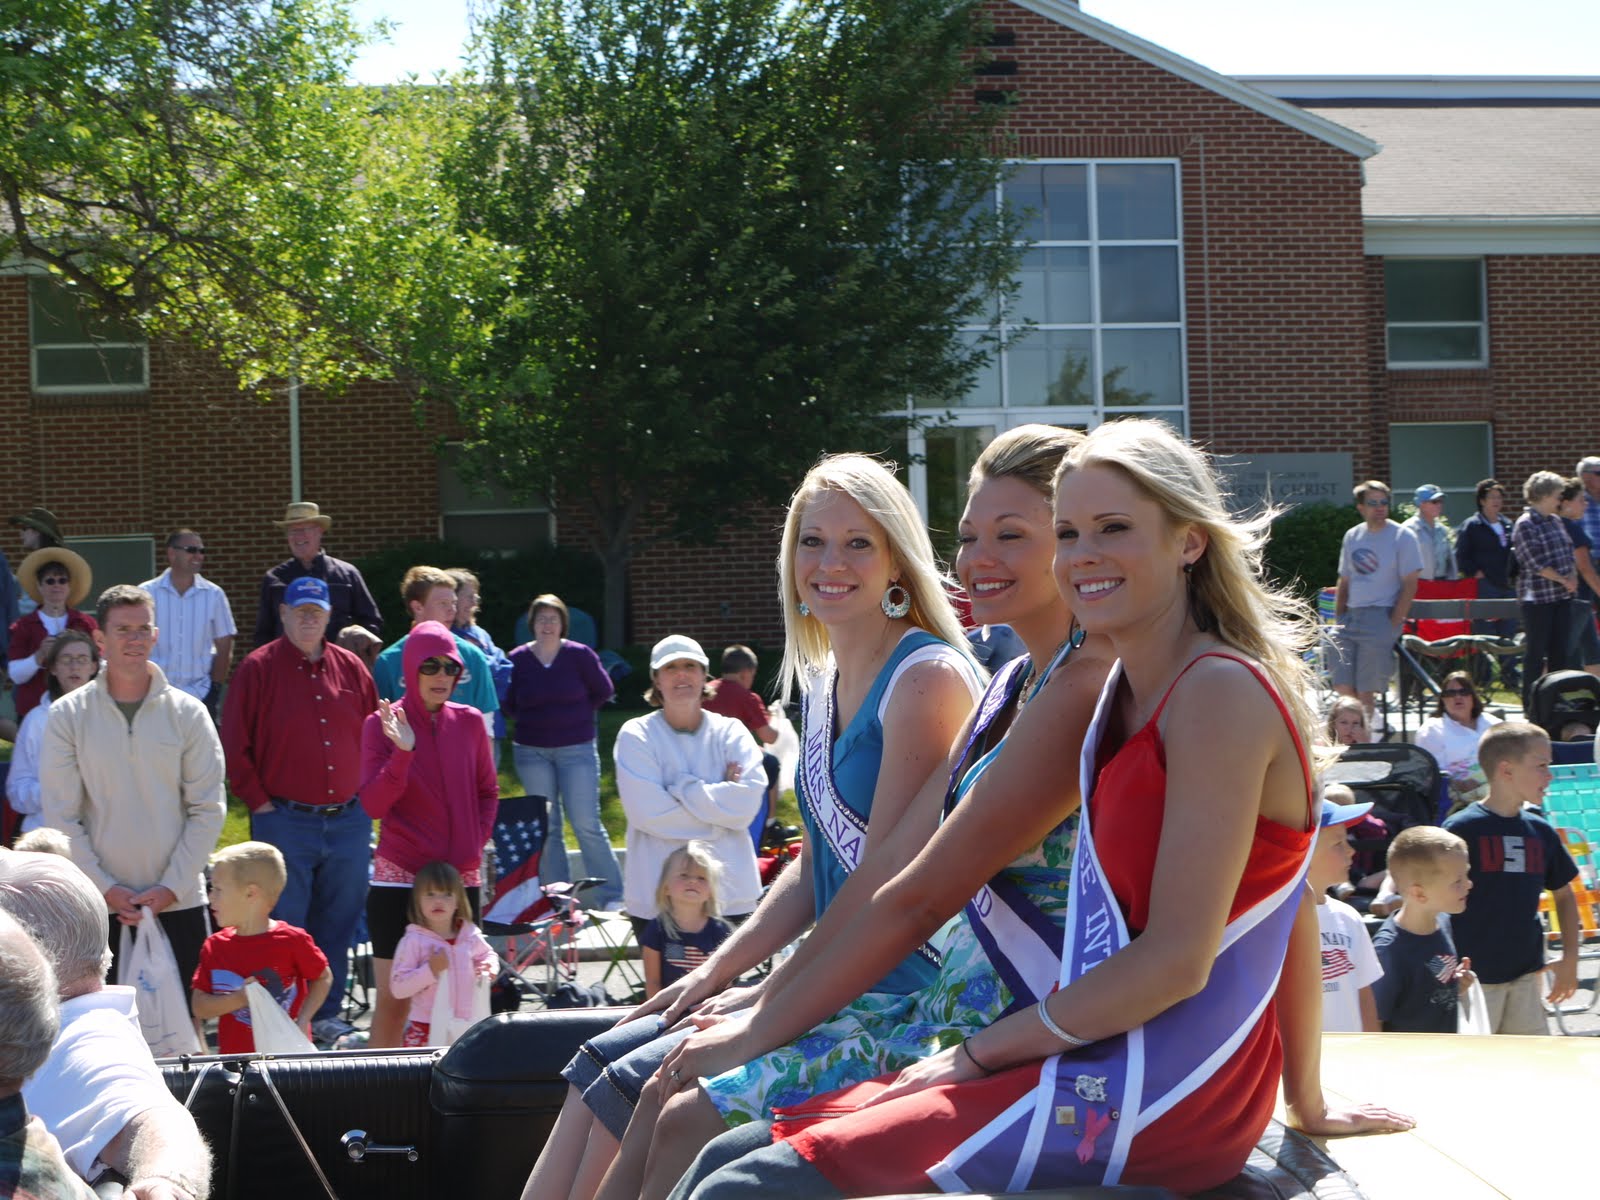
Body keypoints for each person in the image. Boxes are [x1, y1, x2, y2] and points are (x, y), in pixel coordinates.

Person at [665, 419, 1409, 1200]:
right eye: (1068, 532)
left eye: (1113, 528)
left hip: (1160, 1089)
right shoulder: (1125, 687)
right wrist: (1306, 1096)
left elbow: (1184, 956)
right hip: (1093, 1047)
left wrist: (979, 1053)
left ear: (1189, 541)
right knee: (731, 1156)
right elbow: (1277, 896)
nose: (1081, 553)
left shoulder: (1214, 692)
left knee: (747, 1186)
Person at [522, 452, 984, 1200]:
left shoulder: (925, 678)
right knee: (600, 1063)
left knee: (663, 1094)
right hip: (824, 974)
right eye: (812, 540)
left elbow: (882, 887)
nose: (829, 562)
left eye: (857, 542)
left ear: (898, 558)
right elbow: (818, 862)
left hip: (895, 990)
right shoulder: (826, 675)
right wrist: (716, 971)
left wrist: (763, 1004)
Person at [42, 584, 226, 1001]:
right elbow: (61, 815)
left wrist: (171, 887)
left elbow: (208, 809)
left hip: (178, 903)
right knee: (107, 1039)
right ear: (101, 639)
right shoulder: (67, 716)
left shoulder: (188, 714)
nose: (135, 638)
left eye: (144, 628)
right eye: (123, 629)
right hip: (100, 909)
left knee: (187, 1043)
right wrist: (106, 888)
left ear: (156, 635)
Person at [0, 851, 212, 1200]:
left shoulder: (90, 1037)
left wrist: (168, 1183)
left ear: (28, 952)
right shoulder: (75, 1022)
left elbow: (153, 1117)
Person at [220, 575, 377, 1045]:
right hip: (285, 819)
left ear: (329, 616)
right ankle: (278, 1021)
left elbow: (375, 736)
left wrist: (369, 797)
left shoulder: (351, 668)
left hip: (349, 820)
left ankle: (325, 1016)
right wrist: (260, 802)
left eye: (317, 612)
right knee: (284, 925)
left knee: (340, 921)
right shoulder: (257, 668)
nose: (309, 619)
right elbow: (233, 741)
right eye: (300, 610)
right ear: (284, 613)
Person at [360, 620, 498, 1048]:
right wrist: (403, 752)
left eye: (450, 668)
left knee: (463, 996)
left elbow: (488, 792)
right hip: (398, 876)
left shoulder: (471, 722)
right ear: (410, 669)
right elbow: (373, 805)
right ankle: (372, 1097)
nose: (441, 676)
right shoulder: (379, 724)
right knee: (394, 999)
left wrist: (472, 848)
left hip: (457, 881)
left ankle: (459, 1097)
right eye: (430, 666)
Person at [614, 634, 766, 935]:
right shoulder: (636, 735)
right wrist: (720, 817)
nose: (681, 674)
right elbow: (648, 814)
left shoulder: (731, 732)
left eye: (690, 666)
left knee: (729, 984)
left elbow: (747, 806)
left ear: (704, 675)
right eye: (670, 668)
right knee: (665, 985)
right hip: (656, 896)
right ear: (656, 680)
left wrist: (683, 790)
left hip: (730, 896)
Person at [1443, 722, 1579, 1035]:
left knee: (1529, 1070)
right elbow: (1435, 907)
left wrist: (1570, 958)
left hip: (1526, 980)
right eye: (1541, 765)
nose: (1550, 775)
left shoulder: (1540, 830)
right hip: (1472, 982)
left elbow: (1564, 894)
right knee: (1475, 1072)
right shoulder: (1462, 829)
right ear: (1506, 770)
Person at [506, 593, 622, 909]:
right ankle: (558, 899)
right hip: (532, 752)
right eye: (541, 618)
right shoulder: (517, 659)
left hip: (577, 750)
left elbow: (603, 691)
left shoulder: (579, 655)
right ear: (532, 624)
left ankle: (612, 895)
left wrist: (575, 718)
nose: (547, 624)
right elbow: (509, 702)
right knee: (549, 826)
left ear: (562, 624)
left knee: (586, 822)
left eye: (553, 618)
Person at [190, 842, 331, 1054]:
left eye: (217, 889)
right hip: (237, 1064)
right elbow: (199, 1007)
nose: (211, 898)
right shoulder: (215, 946)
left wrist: (303, 1020)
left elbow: (323, 977)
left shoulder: (291, 940)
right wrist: (239, 998)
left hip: (288, 1059)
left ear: (250, 894)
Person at [372, 565, 500, 745]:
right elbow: (381, 729)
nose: (452, 611)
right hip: (411, 765)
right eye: (443, 604)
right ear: (418, 607)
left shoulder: (472, 656)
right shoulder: (389, 662)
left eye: (453, 603)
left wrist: (482, 771)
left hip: (462, 764)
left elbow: (486, 726)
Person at [1331, 480, 1423, 726]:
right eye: (1373, 503)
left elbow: (1410, 583)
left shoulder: (1403, 536)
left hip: (1380, 615)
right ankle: (1359, 730)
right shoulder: (1353, 535)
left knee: (1365, 689)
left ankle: (1367, 742)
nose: (1380, 507)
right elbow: (1345, 580)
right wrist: (1338, 617)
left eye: (1384, 502)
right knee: (1342, 683)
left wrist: (1393, 622)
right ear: (1361, 507)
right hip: (1350, 617)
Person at [1370, 826, 1474, 1033]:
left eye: (1466, 875)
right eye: (1458, 881)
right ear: (1419, 894)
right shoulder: (1388, 951)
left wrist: (1456, 984)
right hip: (1410, 1062)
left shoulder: (1442, 921)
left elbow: (1429, 986)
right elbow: (1374, 1023)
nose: (1469, 884)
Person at [252, 500, 382, 659]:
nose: (298, 536)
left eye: (305, 529)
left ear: (320, 531)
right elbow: (263, 633)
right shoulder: (274, 579)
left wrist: (354, 645)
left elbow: (371, 622)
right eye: (292, 530)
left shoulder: (346, 574)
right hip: (288, 667)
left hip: (338, 668)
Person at [389, 861, 497, 1047]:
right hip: (426, 1026)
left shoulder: (469, 935)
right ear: (418, 900)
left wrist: (487, 967)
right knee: (425, 1075)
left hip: (467, 1023)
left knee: (464, 1073)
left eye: (447, 895)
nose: (438, 901)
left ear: (458, 901)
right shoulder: (414, 941)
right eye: (430, 894)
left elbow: (488, 955)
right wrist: (430, 970)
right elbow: (398, 988)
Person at [6, 630, 97, 837]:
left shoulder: (111, 718)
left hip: (100, 836)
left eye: (82, 659)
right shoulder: (35, 720)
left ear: (93, 667)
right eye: (66, 660)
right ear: (54, 668)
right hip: (46, 834)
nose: (74, 666)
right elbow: (16, 792)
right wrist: (55, 792)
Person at [1310, 789, 1383, 1033]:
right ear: (1304, 854)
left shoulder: (1349, 917)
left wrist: (1372, 1047)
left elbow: (1364, 994)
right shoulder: (1274, 921)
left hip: (1350, 1059)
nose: (1352, 851)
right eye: (1339, 843)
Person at [142, 530, 235, 719]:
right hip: (154, 696)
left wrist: (214, 690)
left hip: (200, 697)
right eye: (191, 550)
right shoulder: (146, 593)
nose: (198, 556)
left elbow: (225, 647)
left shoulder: (214, 594)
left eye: (202, 551)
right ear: (171, 553)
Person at [6, 545, 97, 721]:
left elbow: (98, 665)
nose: (57, 585)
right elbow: (15, 675)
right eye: (50, 581)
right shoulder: (24, 626)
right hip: (34, 711)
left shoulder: (85, 623)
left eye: (62, 581)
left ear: (69, 586)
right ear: (39, 586)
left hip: (79, 709)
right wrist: (38, 656)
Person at [703, 645, 782, 846]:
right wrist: (778, 724)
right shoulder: (747, 697)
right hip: (735, 763)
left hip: (704, 755)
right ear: (746, 673)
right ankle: (770, 824)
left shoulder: (706, 691)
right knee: (771, 763)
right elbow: (769, 737)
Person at [1510, 471, 1577, 706]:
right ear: (1545, 495)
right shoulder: (1525, 525)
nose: (1560, 500)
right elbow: (1534, 563)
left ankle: (1555, 700)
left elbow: (1568, 552)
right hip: (1537, 599)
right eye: (1557, 495)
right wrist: (1563, 579)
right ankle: (1531, 704)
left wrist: (1571, 577)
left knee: (1560, 652)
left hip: (1561, 597)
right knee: (1536, 653)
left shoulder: (1555, 521)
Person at [641, 843, 735, 999]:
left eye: (701, 878)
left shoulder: (721, 931)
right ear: (666, 888)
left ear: (711, 892)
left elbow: (725, 983)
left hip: (707, 1007)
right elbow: (653, 981)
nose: (692, 881)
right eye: (684, 875)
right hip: (668, 1006)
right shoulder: (657, 929)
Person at [1455, 478, 1519, 689]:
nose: (1496, 501)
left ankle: (1509, 675)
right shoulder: (1472, 525)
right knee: (1484, 631)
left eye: (1499, 497)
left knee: (1508, 630)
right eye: (1492, 497)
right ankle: (1483, 677)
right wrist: (1476, 572)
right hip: (1485, 585)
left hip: (1507, 585)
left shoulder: (1507, 524)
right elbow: (1461, 555)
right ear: (1482, 500)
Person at [1413, 670, 1501, 812]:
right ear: (1443, 699)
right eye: (1450, 693)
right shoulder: (1432, 729)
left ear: (1473, 696)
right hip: (1455, 796)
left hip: (1495, 787)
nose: (1457, 697)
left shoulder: (1493, 724)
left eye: (1464, 692)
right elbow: (1429, 772)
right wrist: (1456, 783)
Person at [450, 567, 514, 757]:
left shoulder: (480, 633)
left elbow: (505, 669)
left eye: (476, 596)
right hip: (457, 728)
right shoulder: (443, 635)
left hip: (490, 723)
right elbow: (479, 670)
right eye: (469, 596)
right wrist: (486, 668)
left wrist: (487, 677)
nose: (475, 602)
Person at [1556, 478, 1600, 677]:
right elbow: (1585, 568)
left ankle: (1596, 696)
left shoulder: (1554, 526)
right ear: (1566, 503)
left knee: (1592, 651)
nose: (1586, 503)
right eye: (1581, 499)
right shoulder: (1570, 528)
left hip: (1577, 601)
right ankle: (1541, 697)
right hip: (1575, 602)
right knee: (1561, 654)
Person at [7, 507, 64, 623]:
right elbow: (19, 586)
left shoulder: (49, 563)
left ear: (36, 532)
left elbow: (31, 604)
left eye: (24, 528)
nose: (21, 533)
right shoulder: (36, 561)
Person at [1402, 483, 1456, 580]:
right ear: (1421, 504)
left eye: (1441, 501)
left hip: (1442, 584)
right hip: (1419, 584)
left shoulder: (1442, 530)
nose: (1439, 505)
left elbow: (1449, 562)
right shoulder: (1409, 529)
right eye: (1434, 502)